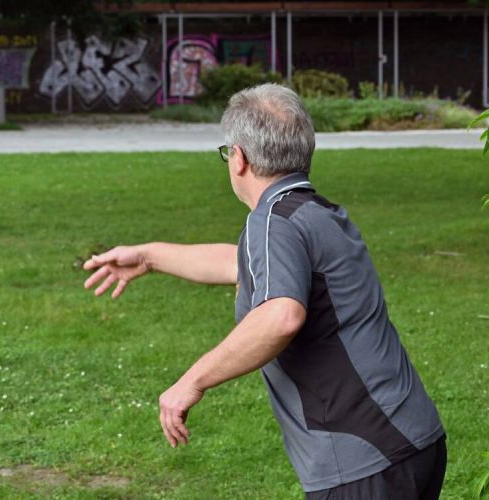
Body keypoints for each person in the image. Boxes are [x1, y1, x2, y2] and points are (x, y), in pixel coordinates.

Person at [82, 84, 446, 499]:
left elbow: (280, 315)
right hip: (415, 440)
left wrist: (191, 381)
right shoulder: (314, 212)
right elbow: (240, 265)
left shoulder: (273, 221)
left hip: (364, 461)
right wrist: (149, 257)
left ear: (238, 158)